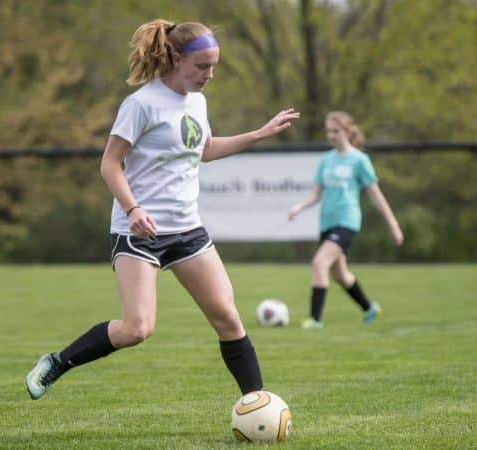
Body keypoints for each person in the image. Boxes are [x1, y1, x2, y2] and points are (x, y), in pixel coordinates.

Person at [25, 19, 300, 399]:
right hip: (138, 232)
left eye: (213, 66)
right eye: (202, 66)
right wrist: (133, 209)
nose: (209, 74)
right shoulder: (141, 104)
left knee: (228, 318)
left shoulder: (198, 102)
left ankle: (257, 404)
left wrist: (259, 133)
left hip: (188, 230)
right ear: (175, 58)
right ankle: (57, 362)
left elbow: (204, 150)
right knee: (137, 329)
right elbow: (110, 164)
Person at [287, 111, 403, 329]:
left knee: (319, 263)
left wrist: (393, 225)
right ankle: (369, 308)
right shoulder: (326, 160)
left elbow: (376, 195)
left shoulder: (360, 160)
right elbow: (316, 193)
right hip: (327, 222)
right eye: (328, 131)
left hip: (347, 220)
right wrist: (299, 207)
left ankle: (315, 320)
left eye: (335, 131)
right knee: (340, 274)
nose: (331, 136)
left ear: (348, 132)